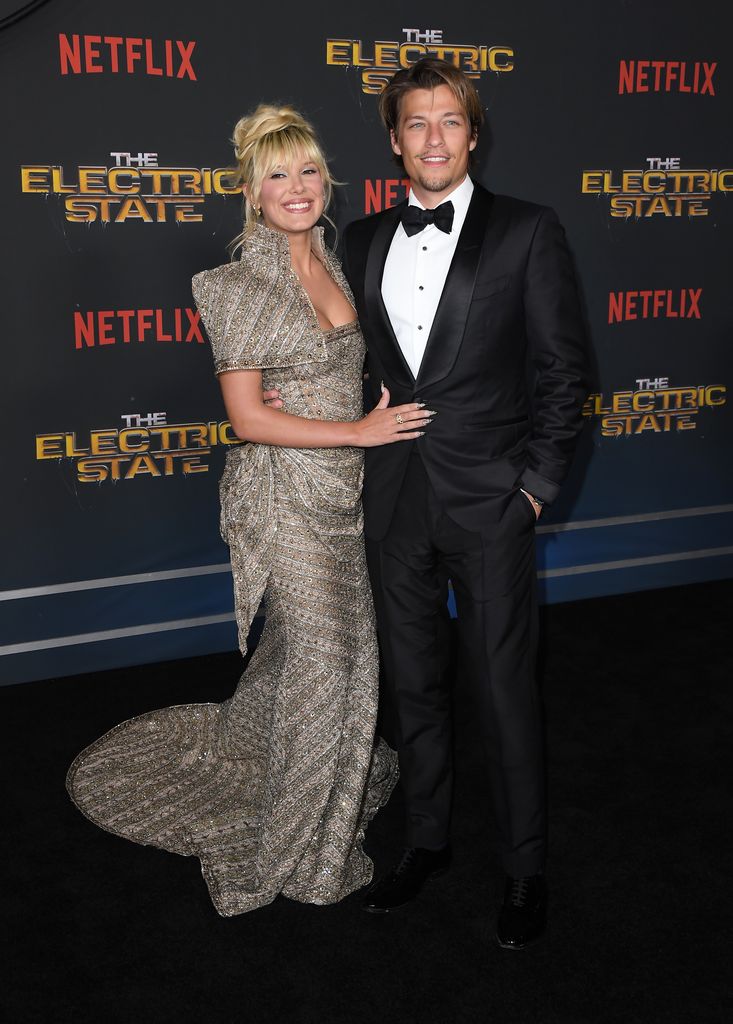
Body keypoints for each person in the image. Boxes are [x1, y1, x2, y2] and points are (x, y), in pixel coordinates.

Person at [66, 105, 431, 916]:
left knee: (315, 654)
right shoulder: (231, 287)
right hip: (286, 497)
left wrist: (368, 408)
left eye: (306, 171)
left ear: (324, 178)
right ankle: (303, 848)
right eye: (276, 176)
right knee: (333, 664)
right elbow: (246, 419)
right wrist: (358, 429)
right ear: (248, 191)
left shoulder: (343, 262)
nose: (295, 189)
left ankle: (278, 754)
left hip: (348, 494)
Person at [341, 58, 589, 948]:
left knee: (503, 691)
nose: (434, 138)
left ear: (472, 133)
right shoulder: (362, 238)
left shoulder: (527, 231)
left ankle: (524, 868)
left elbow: (564, 374)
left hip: (491, 503)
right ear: (394, 139)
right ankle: (428, 840)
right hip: (395, 502)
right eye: (416, 123)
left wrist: (533, 492)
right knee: (415, 689)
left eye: (450, 120)